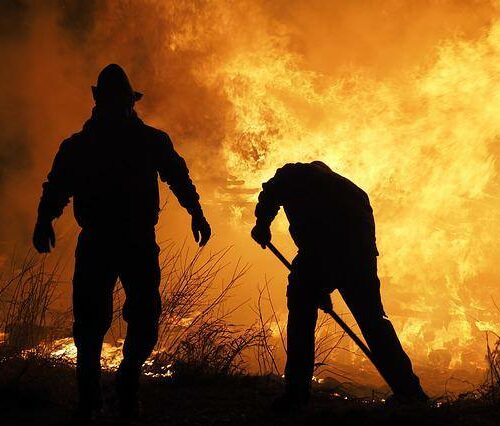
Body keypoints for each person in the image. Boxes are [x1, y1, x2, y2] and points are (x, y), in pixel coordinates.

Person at [33, 64, 211, 421]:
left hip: (133, 240)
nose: (118, 106)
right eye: (113, 99)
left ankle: (126, 380)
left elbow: (177, 176)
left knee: (143, 318)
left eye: (121, 100)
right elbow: (57, 186)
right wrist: (43, 218)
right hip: (106, 241)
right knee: (90, 322)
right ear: (105, 101)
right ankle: (91, 397)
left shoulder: (147, 141)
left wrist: (196, 211)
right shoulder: (82, 145)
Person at [251, 161, 427, 412]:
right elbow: (361, 248)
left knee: (301, 310)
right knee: (374, 322)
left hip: (333, 250)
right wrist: (324, 284)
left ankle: (296, 394)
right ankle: (410, 393)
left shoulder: (292, 174)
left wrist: (262, 225)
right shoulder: (353, 192)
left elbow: (271, 194)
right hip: (359, 257)